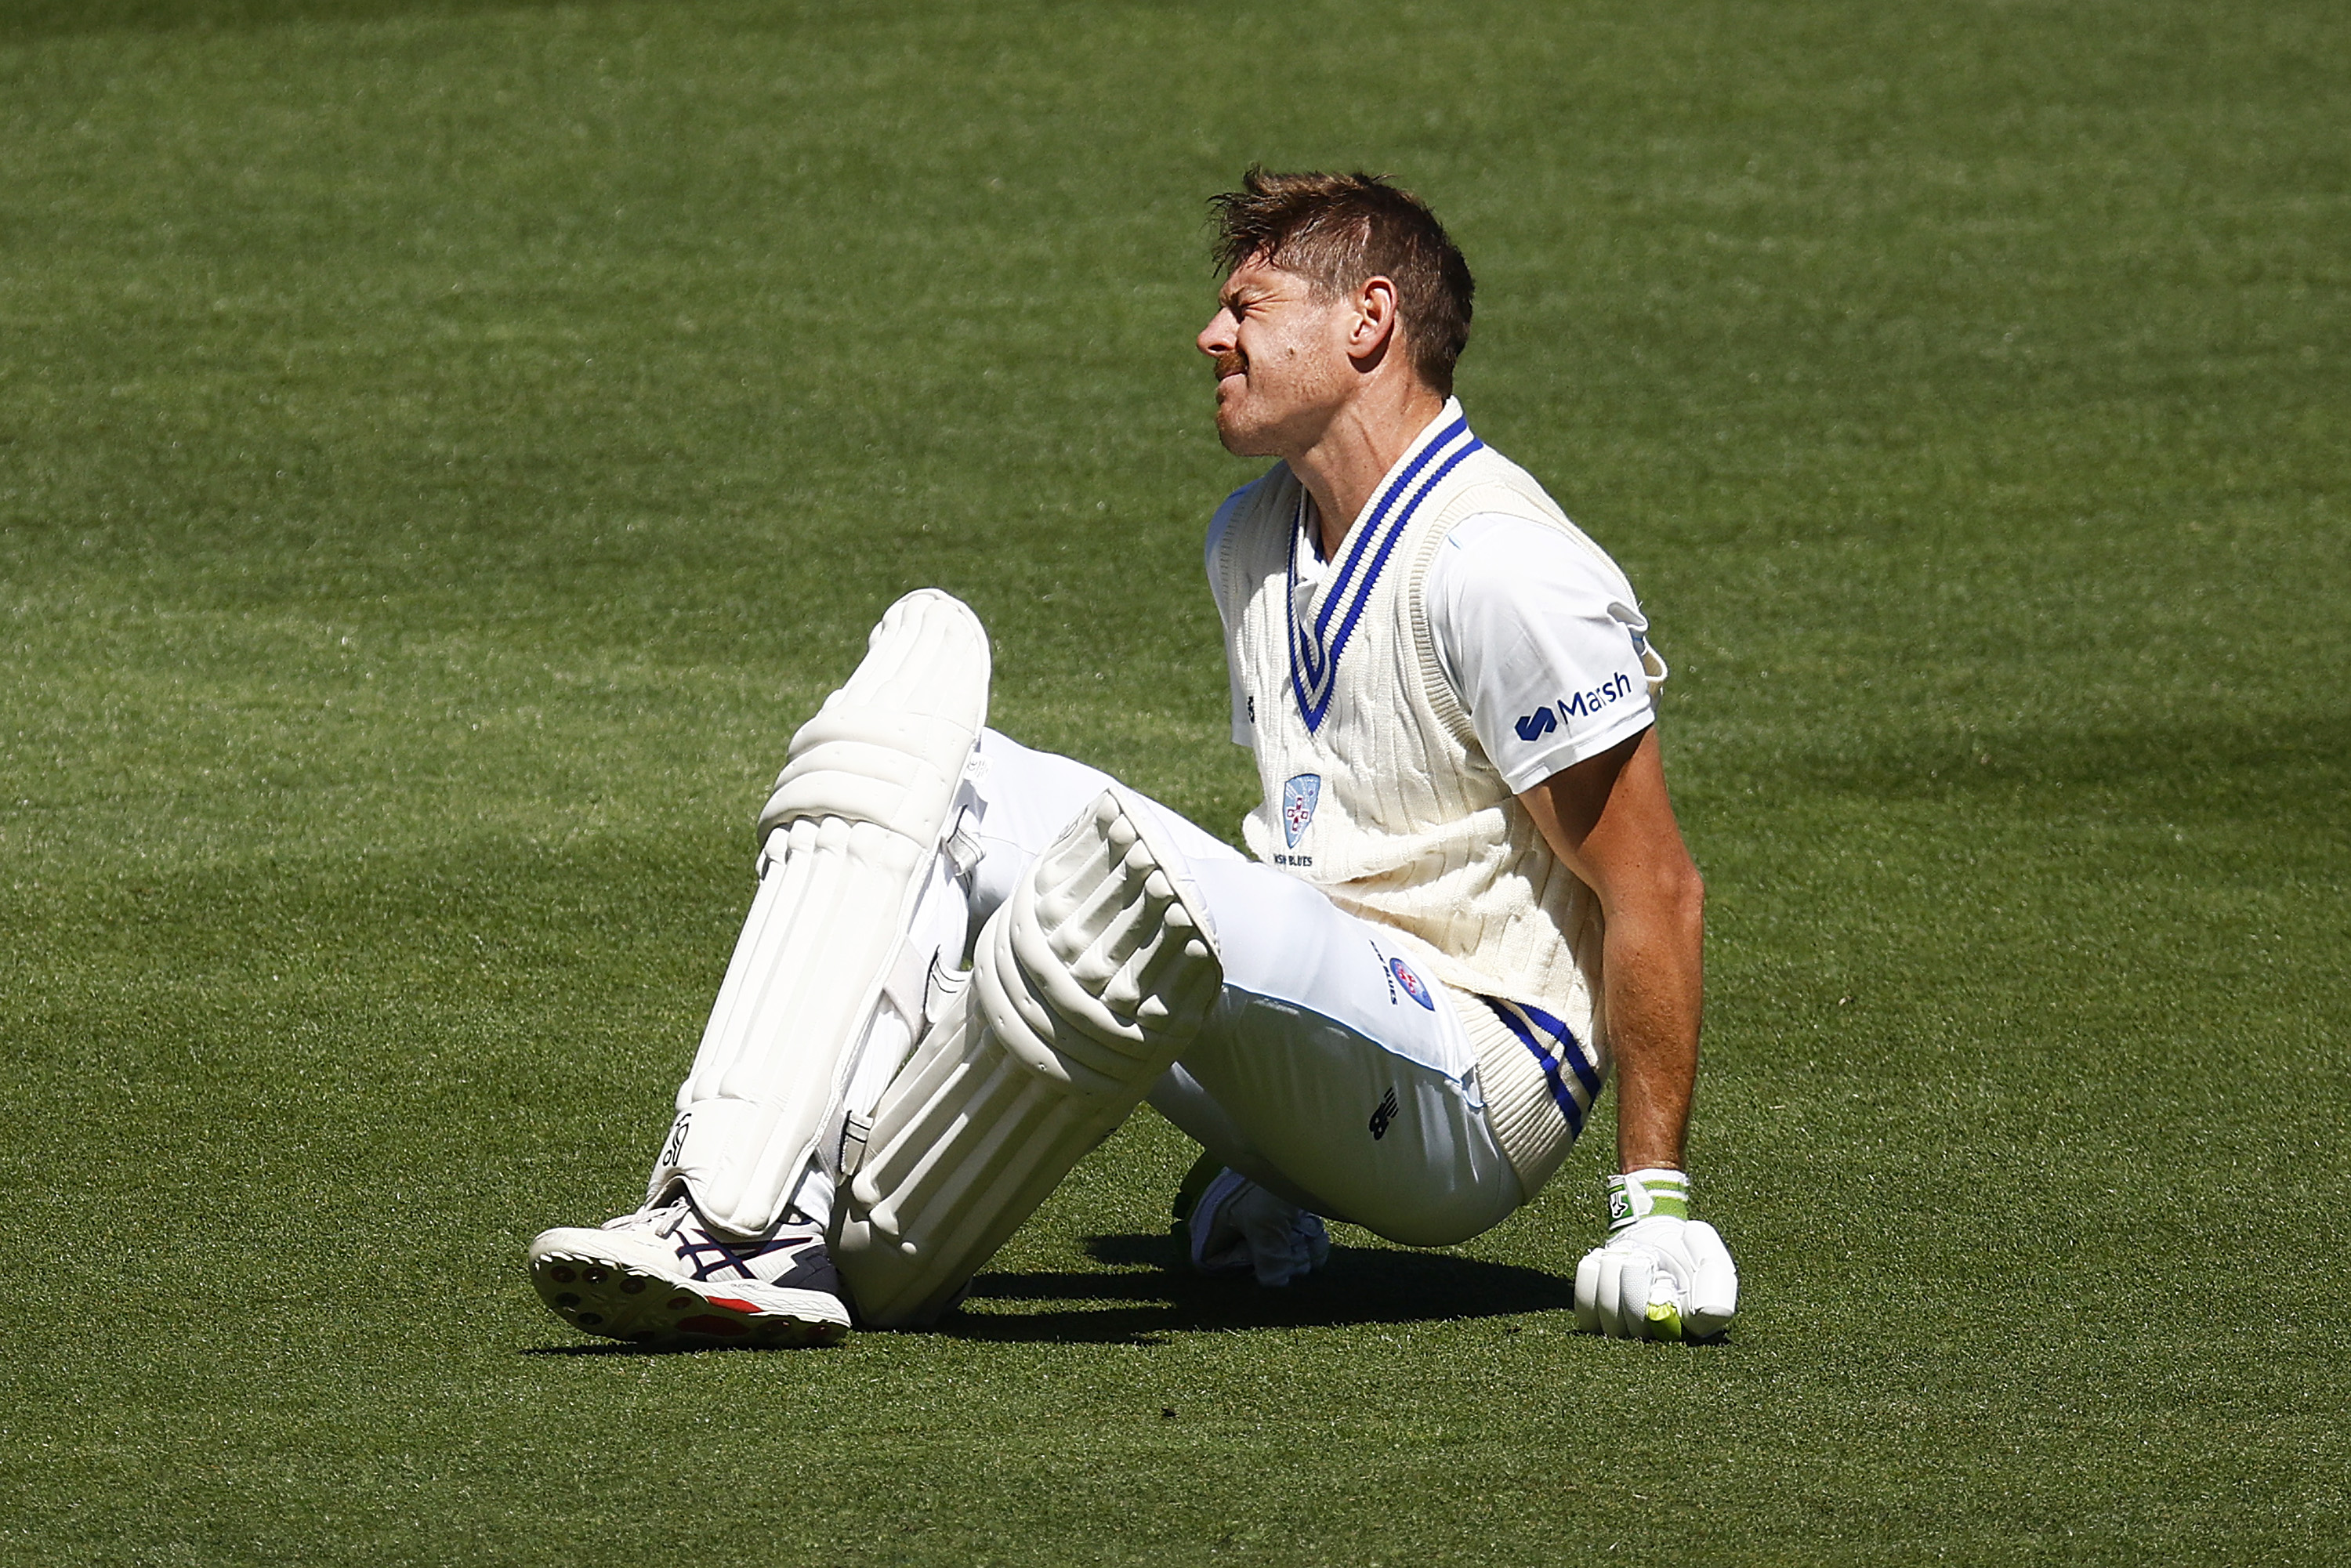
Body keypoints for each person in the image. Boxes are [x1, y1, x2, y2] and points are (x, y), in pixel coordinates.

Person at [526, 168, 1738, 1348]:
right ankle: (763, 1221)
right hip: (1334, 1052)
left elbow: (1655, 888)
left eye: (1247, 309)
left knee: (1136, 867)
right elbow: (1329, 839)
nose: (1209, 335)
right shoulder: (1253, 536)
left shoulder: (1502, 567)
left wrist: (1655, 1210)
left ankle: (744, 1225)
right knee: (938, 760)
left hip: (1479, 1085)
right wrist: (1272, 1146)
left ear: (1369, 320)